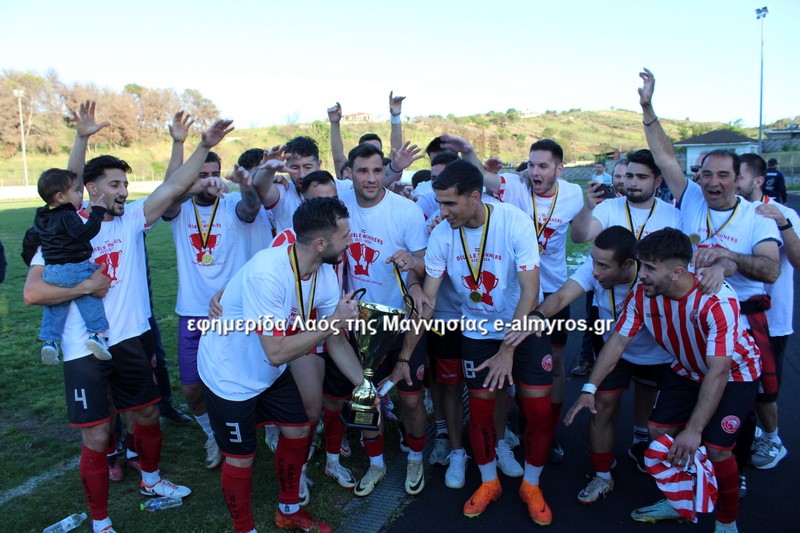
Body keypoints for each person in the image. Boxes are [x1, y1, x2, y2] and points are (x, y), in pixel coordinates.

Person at [24, 106, 234, 533]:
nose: (124, 191)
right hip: (84, 347)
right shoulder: (62, 230)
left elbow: (173, 186)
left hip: (132, 339)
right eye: (115, 185)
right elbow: (33, 292)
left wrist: (201, 146)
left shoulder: (132, 219)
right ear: (91, 189)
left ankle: (151, 481)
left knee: (148, 414)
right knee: (98, 434)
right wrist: (86, 287)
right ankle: (101, 522)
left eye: (125, 184)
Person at [565, 228, 761, 533]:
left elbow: (719, 371)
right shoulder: (643, 294)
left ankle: (726, 521)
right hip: (686, 369)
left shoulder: (716, 301)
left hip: (735, 373)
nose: (640, 274)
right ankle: (680, 499)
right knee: (658, 429)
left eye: (649, 268)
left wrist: (694, 430)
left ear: (677, 272)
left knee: (716, 448)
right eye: (641, 265)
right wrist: (589, 388)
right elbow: (617, 341)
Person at [393, 159, 554, 525]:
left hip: (523, 327)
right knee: (480, 411)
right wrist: (405, 357)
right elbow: (428, 303)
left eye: (450, 203)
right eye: (439, 202)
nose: (442, 211)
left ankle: (532, 486)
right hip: (478, 332)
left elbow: (530, 290)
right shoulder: (442, 235)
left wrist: (507, 349)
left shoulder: (514, 221)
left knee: (538, 410)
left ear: (475, 197)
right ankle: (488, 482)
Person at [198, 197, 364, 533]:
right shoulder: (268, 273)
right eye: (345, 236)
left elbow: (334, 340)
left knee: (298, 429)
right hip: (229, 375)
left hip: (268, 370)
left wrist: (365, 385)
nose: (351, 241)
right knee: (241, 458)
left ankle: (288, 510)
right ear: (321, 244)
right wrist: (332, 322)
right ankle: (244, 528)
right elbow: (276, 351)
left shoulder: (324, 274)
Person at [443, 135, 583, 464]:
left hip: (553, 291)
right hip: (514, 291)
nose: (535, 172)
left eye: (543, 166)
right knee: (509, 365)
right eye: (531, 165)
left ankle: (546, 429)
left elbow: (581, 233)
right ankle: (509, 428)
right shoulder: (515, 186)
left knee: (554, 364)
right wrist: (469, 151)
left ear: (559, 170)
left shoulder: (574, 194)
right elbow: (483, 178)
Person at [538, 226, 672, 504]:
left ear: (628, 265)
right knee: (600, 407)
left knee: (665, 422)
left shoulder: (653, 278)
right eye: (593, 262)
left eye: (603, 266)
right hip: (616, 351)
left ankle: (663, 470)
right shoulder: (595, 270)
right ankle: (602, 475)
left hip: (660, 354)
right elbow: (561, 296)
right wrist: (537, 317)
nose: (595, 271)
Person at [162, 118, 262, 471]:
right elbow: (168, 196)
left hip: (233, 312)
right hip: (192, 313)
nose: (210, 180)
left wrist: (245, 184)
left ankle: (262, 428)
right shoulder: (180, 209)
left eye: (214, 173)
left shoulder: (232, 202)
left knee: (246, 378)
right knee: (192, 389)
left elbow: (251, 208)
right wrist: (190, 174)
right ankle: (211, 434)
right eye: (202, 174)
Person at [336, 142, 430, 497]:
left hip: (403, 321)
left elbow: (426, 265)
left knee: (411, 400)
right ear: (350, 174)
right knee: (364, 397)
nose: (371, 178)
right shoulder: (341, 204)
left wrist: (412, 263)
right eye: (363, 171)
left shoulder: (406, 211)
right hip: (361, 322)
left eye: (377, 170)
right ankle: (376, 464)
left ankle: (416, 457)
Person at [736, 153, 800, 471]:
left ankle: (773, 439)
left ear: (758, 181)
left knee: (764, 390)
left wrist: (783, 224)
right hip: (733, 317)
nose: (731, 182)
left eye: (738, 176)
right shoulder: (729, 213)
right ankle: (749, 434)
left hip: (771, 320)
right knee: (736, 386)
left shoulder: (784, 213)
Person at [33, 168, 112, 364]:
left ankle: (50, 341)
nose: (80, 195)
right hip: (75, 267)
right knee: (90, 296)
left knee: (56, 303)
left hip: (52, 271)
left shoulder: (41, 216)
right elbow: (84, 234)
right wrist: (97, 212)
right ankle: (97, 334)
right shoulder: (67, 215)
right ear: (61, 197)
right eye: (77, 191)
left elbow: (32, 238)